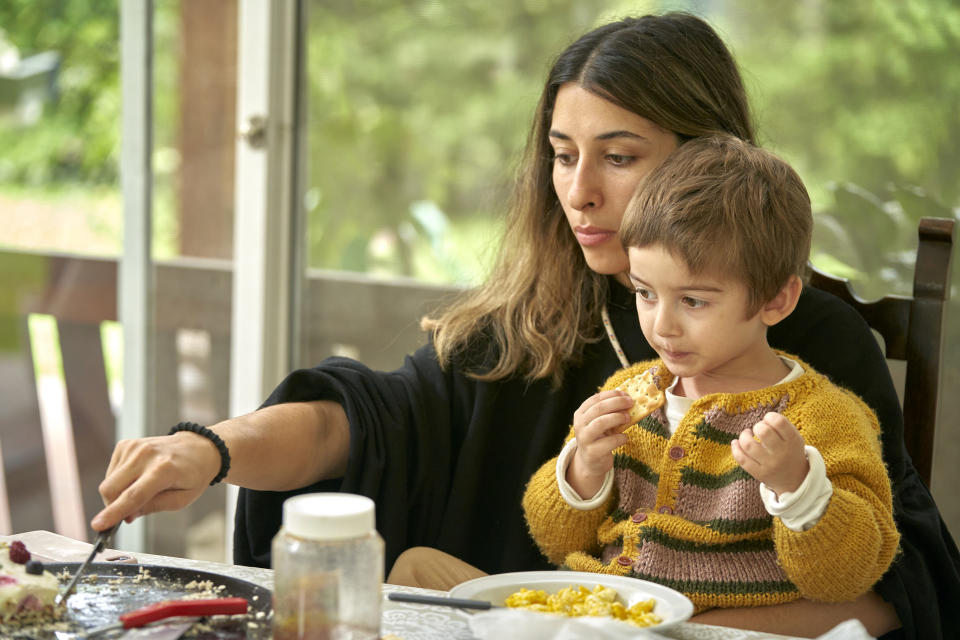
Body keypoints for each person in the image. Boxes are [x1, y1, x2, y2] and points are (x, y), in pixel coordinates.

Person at [92, 12, 959, 639]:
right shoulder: (535, 318)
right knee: (407, 577)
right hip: (547, 622)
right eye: (561, 153)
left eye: (619, 158)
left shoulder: (813, 347)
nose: (578, 191)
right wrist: (208, 447)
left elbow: (899, 588)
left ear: (709, 160)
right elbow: (366, 420)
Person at [520, 134, 900, 612]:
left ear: (775, 300)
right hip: (605, 612)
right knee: (419, 573)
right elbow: (555, 543)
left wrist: (798, 486)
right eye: (645, 293)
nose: (662, 325)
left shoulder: (821, 417)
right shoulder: (626, 395)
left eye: (693, 301)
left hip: (724, 627)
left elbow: (848, 575)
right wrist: (583, 469)